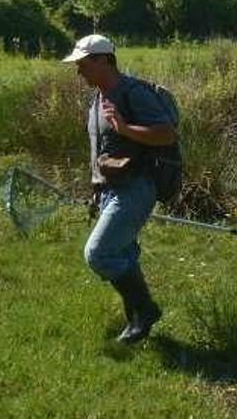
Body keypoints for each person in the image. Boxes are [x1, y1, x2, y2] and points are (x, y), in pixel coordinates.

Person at [62, 34, 175, 344]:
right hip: (110, 190)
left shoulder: (133, 93)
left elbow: (165, 134)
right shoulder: (97, 99)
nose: (78, 71)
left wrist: (125, 129)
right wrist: (96, 190)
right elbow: (101, 151)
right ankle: (137, 322)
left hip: (137, 187)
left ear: (103, 60)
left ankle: (145, 310)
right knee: (122, 252)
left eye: (83, 64)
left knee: (98, 253)